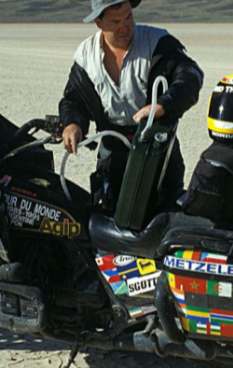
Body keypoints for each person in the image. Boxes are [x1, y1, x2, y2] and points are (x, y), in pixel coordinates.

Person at [59, 0, 204, 214]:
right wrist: (72, 123)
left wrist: (163, 105)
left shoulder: (158, 44)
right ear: (99, 22)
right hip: (113, 156)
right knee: (113, 222)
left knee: (164, 221)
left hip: (157, 150)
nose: (125, 27)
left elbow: (191, 76)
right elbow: (72, 99)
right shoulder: (86, 56)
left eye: (128, 17)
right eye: (116, 21)